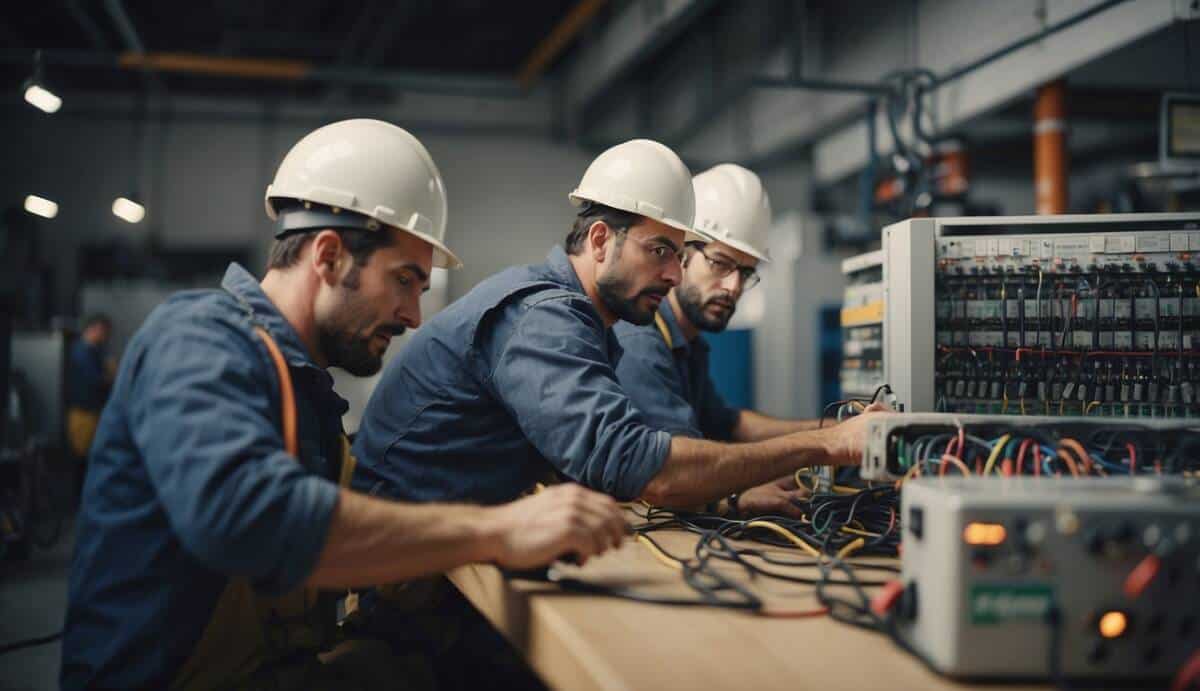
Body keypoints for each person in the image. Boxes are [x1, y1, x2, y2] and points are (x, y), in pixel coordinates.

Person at [61, 119, 627, 690]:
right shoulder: (197, 338)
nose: (413, 316)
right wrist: (499, 530)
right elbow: (250, 519)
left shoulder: (306, 395)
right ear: (328, 256)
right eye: (404, 280)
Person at [352, 139, 881, 518]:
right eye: (659, 252)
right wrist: (829, 444)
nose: (674, 274)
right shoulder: (544, 318)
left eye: (677, 255)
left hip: (439, 546)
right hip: (407, 572)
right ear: (601, 240)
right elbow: (646, 469)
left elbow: (604, 465)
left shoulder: (586, 322)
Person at [612, 164, 827, 518]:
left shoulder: (687, 342)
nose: (734, 287)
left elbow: (728, 424)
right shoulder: (640, 341)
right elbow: (674, 475)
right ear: (680, 254)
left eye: (746, 272)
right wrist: (737, 496)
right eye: (720, 264)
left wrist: (830, 430)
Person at [65, 314, 113, 464]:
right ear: (95, 329)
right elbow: (96, 380)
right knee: (83, 460)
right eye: (105, 332)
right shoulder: (82, 351)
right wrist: (111, 376)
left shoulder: (93, 351)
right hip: (83, 413)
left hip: (90, 412)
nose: (106, 337)